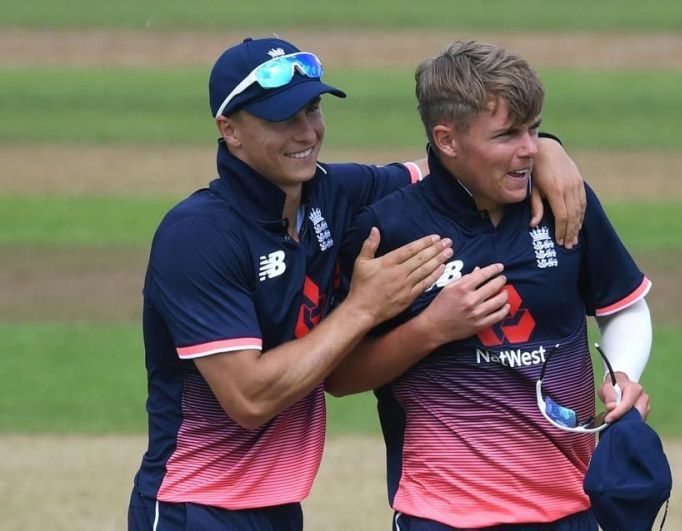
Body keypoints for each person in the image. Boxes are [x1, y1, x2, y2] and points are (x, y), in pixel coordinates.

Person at [128, 36, 587, 531]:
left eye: (313, 109)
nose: (307, 132)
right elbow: (250, 399)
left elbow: (457, 160)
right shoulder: (197, 234)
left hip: (278, 505)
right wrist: (364, 308)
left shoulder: (330, 193)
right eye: (282, 119)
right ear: (230, 131)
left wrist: (545, 148)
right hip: (195, 504)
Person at [328, 40, 654, 530]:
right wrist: (431, 329)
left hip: (571, 508)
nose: (530, 149)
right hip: (440, 514)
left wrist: (622, 374)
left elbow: (622, 306)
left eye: (535, 130)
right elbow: (339, 377)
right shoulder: (388, 230)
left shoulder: (564, 200)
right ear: (448, 140)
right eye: (507, 135)